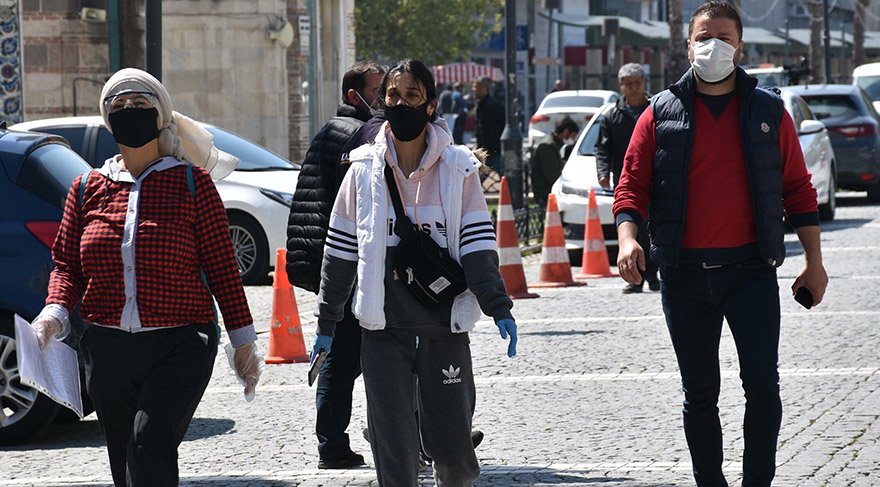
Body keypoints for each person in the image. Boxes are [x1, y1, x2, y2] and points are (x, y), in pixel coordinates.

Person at [613, 3, 828, 486]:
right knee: (700, 394)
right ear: (688, 45)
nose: (714, 46)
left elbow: (798, 189)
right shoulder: (659, 112)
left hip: (750, 272)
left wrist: (815, 262)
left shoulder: (769, 111)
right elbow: (631, 185)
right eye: (704, 36)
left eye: (725, 37)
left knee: (763, 388)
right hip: (683, 276)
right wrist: (628, 239)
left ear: (741, 47)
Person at [28, 68, 260, 487]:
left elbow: (224, 268)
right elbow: (67, 265)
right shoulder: (86, 188)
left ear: (160, 116)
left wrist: (243, 344)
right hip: (107, 347)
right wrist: (53, 314)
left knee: (149, 440)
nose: (130, 112)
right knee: (126, 461)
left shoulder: (192, 184)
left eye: (140, 105)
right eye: (120, 106)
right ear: (107, 117)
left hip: (180, 342)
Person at [314, 58, 517, 486]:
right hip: (383, 331)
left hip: (444, 330)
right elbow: (341, 252)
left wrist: (498, 304)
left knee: (454, 449)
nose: (401, 103)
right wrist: (327, 322)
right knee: (394, 451)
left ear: (429, 105)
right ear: (381, 103)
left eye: (412, 95)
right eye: (392, 96)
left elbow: (478, 246)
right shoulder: (362, 169)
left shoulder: (458, 170)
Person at [286, 60, 385, 470]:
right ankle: (332, 443)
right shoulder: (351, 135)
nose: (384, 101)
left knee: (350, 355)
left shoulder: (338, 130)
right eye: (379, 92)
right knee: (344, 357)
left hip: (332, 258)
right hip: (340, 262)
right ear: (353, 96)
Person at [596, 62, 659, 293]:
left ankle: (654, 276)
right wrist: (602, 173)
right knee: (631, 228)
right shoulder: (612, 116)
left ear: (645, 84)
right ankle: (635, 278)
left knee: (654, 228)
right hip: (627, 182)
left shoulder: (657, 110)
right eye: (628, 84)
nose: (634, 88)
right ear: (621, 86)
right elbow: (602, 149)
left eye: (638, 83)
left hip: (655, 179)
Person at [530, 117, 578, 207]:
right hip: (546, 192)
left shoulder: (557, 145)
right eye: (572, 137)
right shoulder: (547, 146)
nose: (572, 140)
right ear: (566, 132)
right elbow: (552, 174)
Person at [472, 76, 506, 173]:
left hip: (493, 150)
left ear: (484, 89)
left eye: (476, 87)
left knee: (504, 179)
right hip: (487, 150)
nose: (473, 90)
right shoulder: (482, 104)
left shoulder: (493, 105)